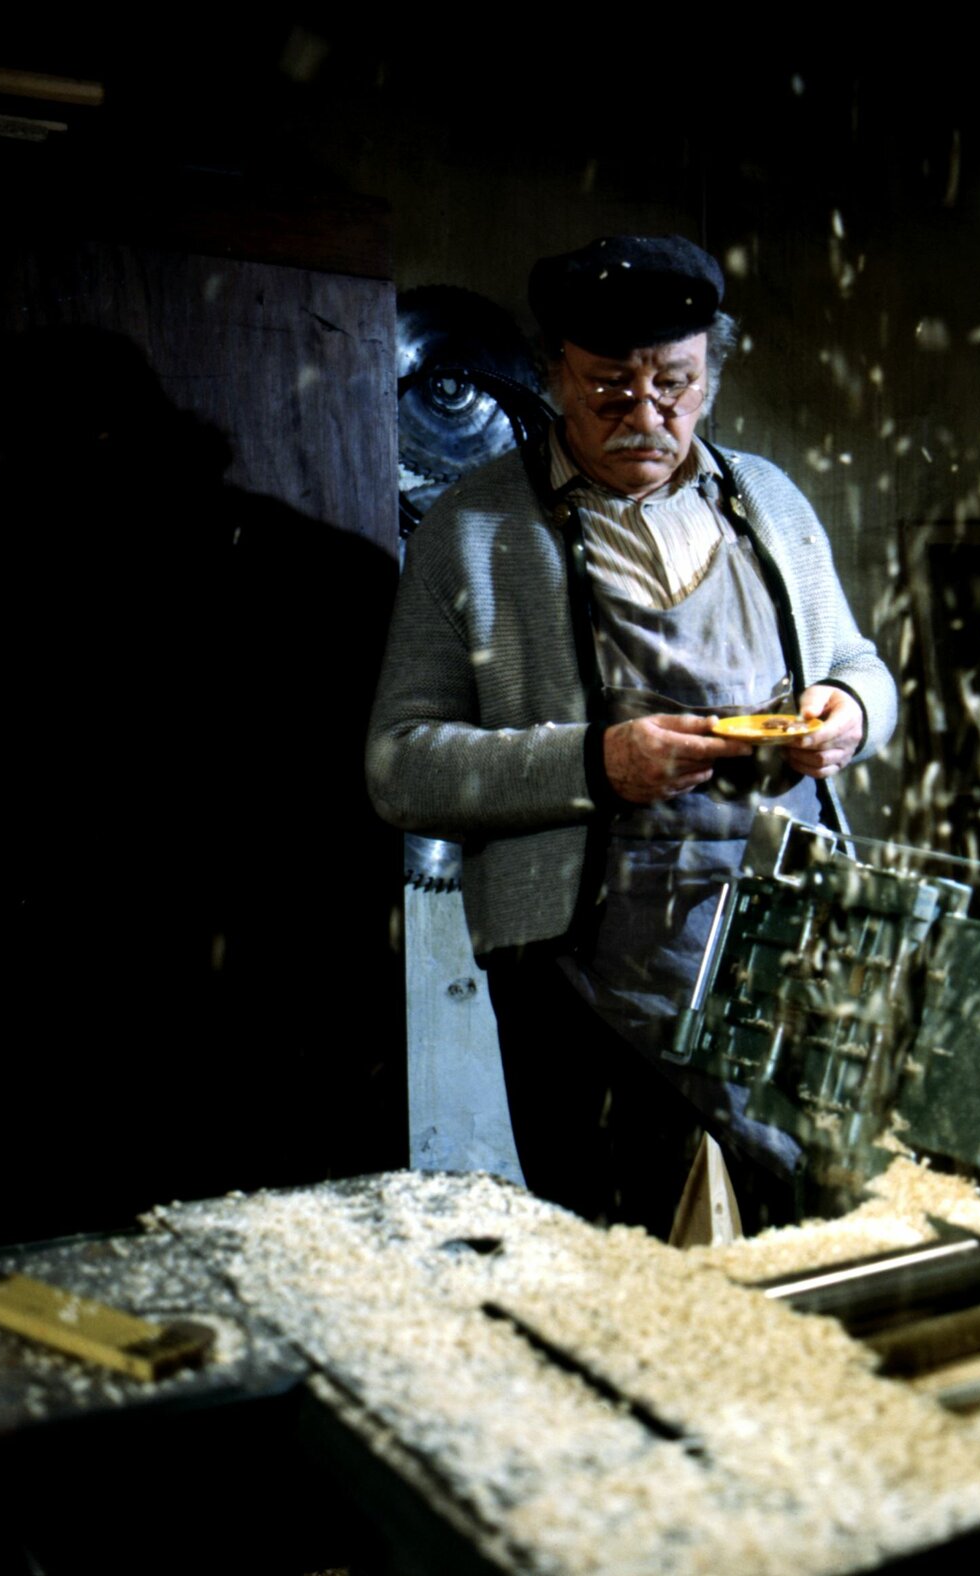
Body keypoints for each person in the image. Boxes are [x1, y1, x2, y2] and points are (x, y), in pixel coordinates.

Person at [366, 235, 896, 1237]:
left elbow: (861, 665)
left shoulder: (768, 502)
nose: (646, 416)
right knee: (624, 1268)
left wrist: (852, 712)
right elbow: (399, 767)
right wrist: (594, 763)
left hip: (782, 950)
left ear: (711, 374)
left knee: (813, 1244)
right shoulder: (473, 528)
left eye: (674, 384)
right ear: (554, 372)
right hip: (582, 979)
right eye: (610, 386)